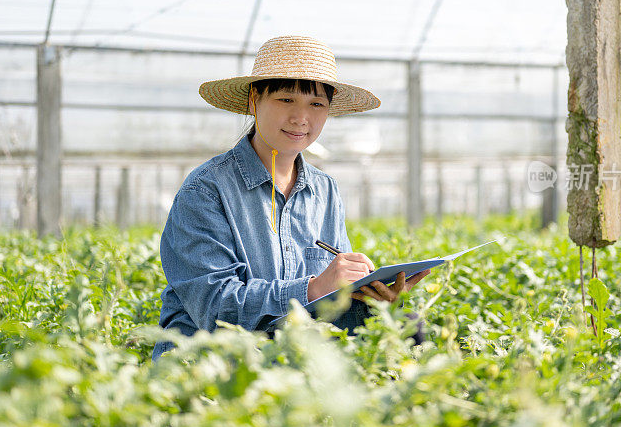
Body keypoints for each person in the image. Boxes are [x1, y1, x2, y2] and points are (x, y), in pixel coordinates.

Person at [152, 35, 430, 361]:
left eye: (316, 104)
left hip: (289, 357)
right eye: (286, 100)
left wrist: (369, 297)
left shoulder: (324, 191)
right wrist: (314, 287)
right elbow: (215, 308)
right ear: (254, 100)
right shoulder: (206, 190)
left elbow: (327, 303)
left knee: (411, 325)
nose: (301, 118)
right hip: (213, 366)